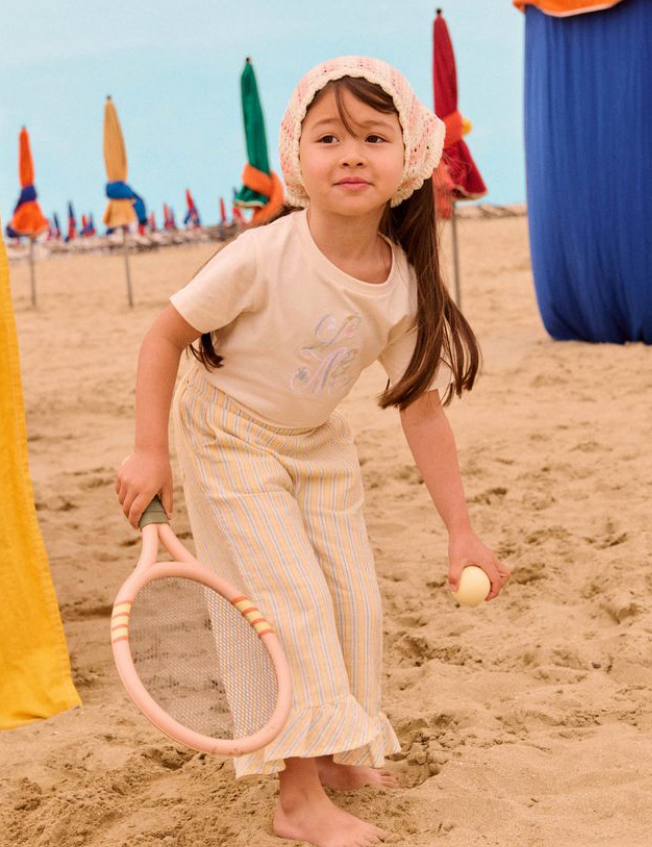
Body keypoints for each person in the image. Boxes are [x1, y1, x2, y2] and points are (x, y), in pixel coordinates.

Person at [116, 55, 511, 847]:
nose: (352, 154)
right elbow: (163, 338)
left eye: (373, 137)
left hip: (316, 445)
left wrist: (461, 529)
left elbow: (422, 410)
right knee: (289, 602)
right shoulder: (264, 252)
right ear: (297, 158)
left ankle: (329, 755)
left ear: (409, 158)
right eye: (329, 137)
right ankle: (296, 798)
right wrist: (149, 451)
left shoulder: (400, 283)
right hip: (228, 435)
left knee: (354, 601)